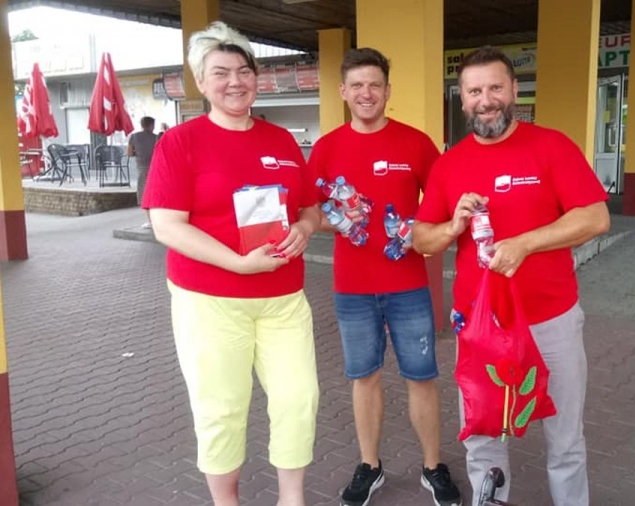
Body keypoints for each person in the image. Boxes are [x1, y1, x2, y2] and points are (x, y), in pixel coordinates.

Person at [412, 46, 611, 506]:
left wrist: (525, 243)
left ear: (515, 90)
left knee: (565, 437)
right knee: (483, 437)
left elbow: (596, 217)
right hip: (481, 327)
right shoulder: (450, 164)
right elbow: (423, 239)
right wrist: (452, 226)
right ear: (462, 99)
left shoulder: (551, 146)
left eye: (495, 88)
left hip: (551, 319)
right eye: (474, 91)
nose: (486, 100)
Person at [142, 22, 320, 506]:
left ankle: (292, 499)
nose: (235, 81)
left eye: (244, 71)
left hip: (283, 298)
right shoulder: (181, 142)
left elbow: (309, 208)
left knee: (298, 399)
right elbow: (167, 226)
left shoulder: (281, 141)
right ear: (202, 82)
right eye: (220, 73)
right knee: (221, 408)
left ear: (256, 78)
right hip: (210, 300)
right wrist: (237, 263)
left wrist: (304, 229)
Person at [307, 48, 462, 506]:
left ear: (388, 91)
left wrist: (422, 227)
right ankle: (369, 466)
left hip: (409, 284)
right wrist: (337, 219)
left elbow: (442, 202)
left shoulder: (415, 143)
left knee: (422, 377)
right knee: (364, 377)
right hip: (352, 288)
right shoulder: (327, 148)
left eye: (374, 84)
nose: (366, 93)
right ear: (343, 91)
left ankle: (433, 467)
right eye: (357, 85)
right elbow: (309, 211)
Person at [127, 116, 158, 228]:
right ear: (151, 125)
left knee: (144, 193)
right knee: (156, 193)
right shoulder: (156, 137)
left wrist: (138, 153)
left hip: (142, 168)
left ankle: (150, 221)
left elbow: (129, 153)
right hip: (156, 168)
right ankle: (158, 219)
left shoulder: (134, 137)